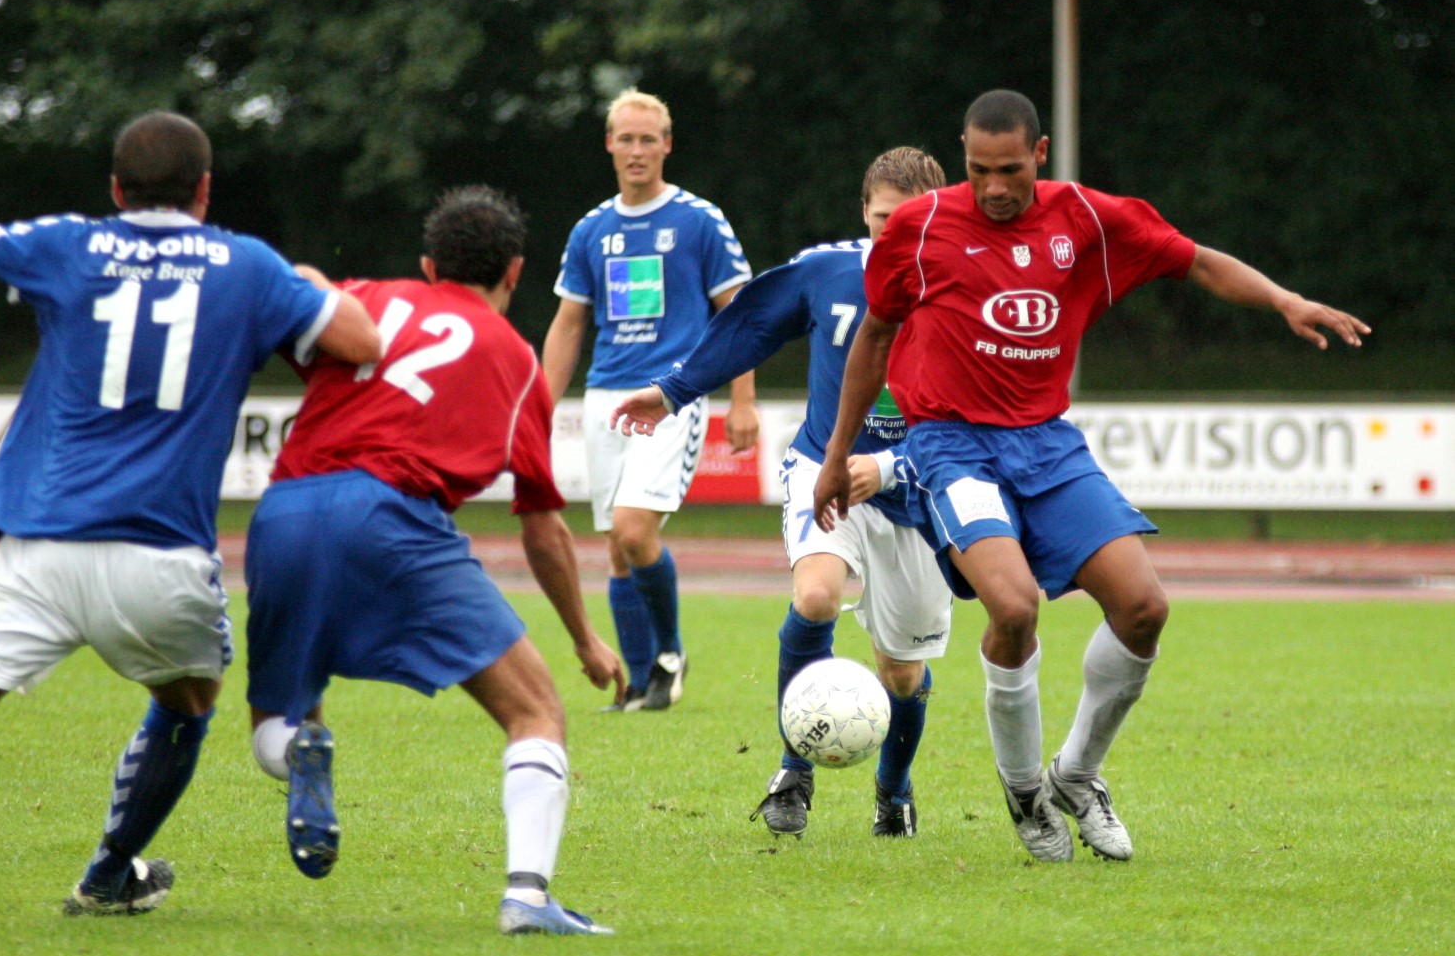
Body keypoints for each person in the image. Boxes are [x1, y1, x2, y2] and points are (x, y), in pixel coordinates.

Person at [813, 90, 1369, 863]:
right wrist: (836, 456)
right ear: (964, 155)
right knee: (1014, 608)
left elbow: (1196, 260)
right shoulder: (921, 226)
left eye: (1010, 170)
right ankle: (1024, 793)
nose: (994, 187)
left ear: (1039, 155)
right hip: (952, 446)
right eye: (979, 170)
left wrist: (1284, 300)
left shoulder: (1086, 219)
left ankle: (1074, 775)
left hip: (1046, 444)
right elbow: (875, 337)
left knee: (1143, 608)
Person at [0, 114, 380, 914]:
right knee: (188, 704)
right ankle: (108, 876)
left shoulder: (69, 242)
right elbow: (360, 341)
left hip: (41, 548)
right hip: (162, 554)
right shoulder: (246, 264)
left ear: (114, 187)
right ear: (205, 190)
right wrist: (309, 280)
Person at [243, 185, 625, 936]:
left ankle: (300, 752)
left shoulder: (365, 299)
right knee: (535, 710)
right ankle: (527, 896)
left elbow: (289, 308)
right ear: (515, 272)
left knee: (277, 720)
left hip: (283, 513)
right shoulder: (516, 362)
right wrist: (583, 638)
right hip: (391, 518)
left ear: (428, 265)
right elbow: (542, 529)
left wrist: (308, 276)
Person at [610, 148, 953, 839]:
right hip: (825, 470)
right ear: (864, 213)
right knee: (817, 596)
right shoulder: (827, 271)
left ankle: (893, 789)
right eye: (884, 219)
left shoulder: (967, 288)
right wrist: (674, 391)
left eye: (912, 221)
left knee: (901, 671)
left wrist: (892, 467)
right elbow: (751, 324)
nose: (896, 234)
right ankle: (793, 774)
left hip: (919, 488)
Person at [542, 87, 757, 712]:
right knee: (617, 547)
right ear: (610, 145)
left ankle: (670, 653)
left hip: (671, 395)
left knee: (634, 530)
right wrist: (539, 408)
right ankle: (638, 687)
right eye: (626, 139)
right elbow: (568, 325)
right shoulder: (591, 229)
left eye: (648, 139)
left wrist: (742, 400)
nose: (636, 150)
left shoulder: (698, 220)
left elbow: (740, 312)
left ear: (667, 145)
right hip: (605, 396)